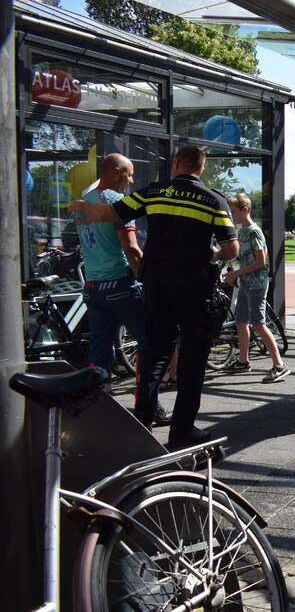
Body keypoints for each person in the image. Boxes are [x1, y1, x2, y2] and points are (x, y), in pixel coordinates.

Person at [68, 146, 239, 449]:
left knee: (154, 354)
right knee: (192, 358)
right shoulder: (214, 200)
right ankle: (182, 430)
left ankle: (143, 421)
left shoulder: (154, 192)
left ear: (177, 163)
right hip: (194, 290)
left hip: (157, 287)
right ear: (201, 168)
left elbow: (107, 214)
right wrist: (210, 253)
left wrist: (79, 204)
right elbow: (231, 250)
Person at [73, 154, 169, 425]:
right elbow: (132, 250)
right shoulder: (117, 203)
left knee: (100, 351)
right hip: (120, 285)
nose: (131, 180)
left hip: (93, 287)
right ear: (115, 172)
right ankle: (149, 408)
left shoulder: (84, 202)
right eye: (129, 174)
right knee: (150, 344)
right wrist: (150, 280)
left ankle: (96, 406)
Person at [224, 193, 290, 383]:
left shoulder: (254, 231)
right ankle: (243, 360)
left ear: (245, 210)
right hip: (246, 283)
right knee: (240, 321)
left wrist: (236, 273)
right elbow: (241, 256)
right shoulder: (242, 232)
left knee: (258, 323)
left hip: (257, 284)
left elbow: (261, 262)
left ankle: (280, 365)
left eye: (234, 212)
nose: (231, 215)